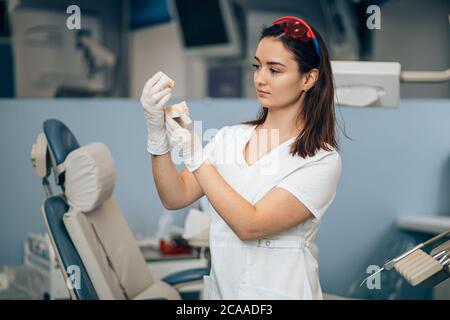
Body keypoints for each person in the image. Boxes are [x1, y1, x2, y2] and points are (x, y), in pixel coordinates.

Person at [140, 16, 342, 299]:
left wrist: (197, 157)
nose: (260, 78)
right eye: (257, 66)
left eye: (275, 70)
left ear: (308, 79)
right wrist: (156, 133)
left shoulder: (321, 160)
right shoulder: (229, 137)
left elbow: (250, 225)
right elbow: (174, 196)